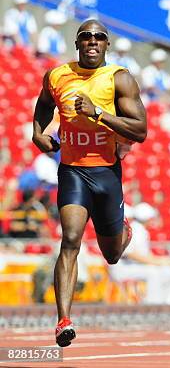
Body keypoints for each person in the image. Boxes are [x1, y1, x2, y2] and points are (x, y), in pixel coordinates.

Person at [31, 19, 147, 347]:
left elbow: (140, 131)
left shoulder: (119, 79)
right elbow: (43, 105)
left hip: (107, 174)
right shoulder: (57, 76)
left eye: (99, 37)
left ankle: (123, 232)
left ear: (107, 45)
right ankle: (63, 320)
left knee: (111, 254)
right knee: (70, 239)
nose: (92, 42)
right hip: (72, 171)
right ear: (77, 43)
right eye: (86, 37)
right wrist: (38, 134)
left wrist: (98, 113)